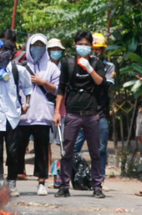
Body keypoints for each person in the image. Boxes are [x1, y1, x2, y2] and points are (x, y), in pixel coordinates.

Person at [54, 30, 106, 198]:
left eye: (86, 45)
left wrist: (89, 67)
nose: (83, 47)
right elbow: (61, 88)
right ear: (75, 45)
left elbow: (100, 82)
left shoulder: (96, 64)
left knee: (95, 152)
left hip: (91, 114)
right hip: (72, 113)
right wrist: (57, 112)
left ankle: (97, 186)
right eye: (80, 44)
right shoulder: (68, 64)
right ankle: (63, 186)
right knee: (67, 152)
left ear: (91, 47)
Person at [0, 39, 32, 197]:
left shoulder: (18, 71)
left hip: (12, 116)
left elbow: (28, 87)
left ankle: (11, 183)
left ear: (8, 53)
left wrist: (26, 105)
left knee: (13, 151)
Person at [17, 34, 60, 196]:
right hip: (22, 116)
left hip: (43, 115)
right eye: (35, 45)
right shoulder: (21, 67)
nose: (38, 48)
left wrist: (43, 83)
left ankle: (41, 182)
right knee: (18, 150)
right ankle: (13, 180)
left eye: (42, 45)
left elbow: (58, 90)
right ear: (29, 46)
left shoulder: (51, 68)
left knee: (42, 151)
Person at [73, 33, 115, 179]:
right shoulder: (77, 65)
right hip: (81, 111)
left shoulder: (108, 67)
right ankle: (70, 175)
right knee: (74, 147)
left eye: (100, 49)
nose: (97, 52)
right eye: (95, 49)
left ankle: (99, 177)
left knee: (101, 148)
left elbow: (105, 85)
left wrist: (92, 69)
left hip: (100, 112)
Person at [47, 38, 67, 187]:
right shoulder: (43, 67)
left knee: (63, 142)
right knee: (46, 141)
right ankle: (48, 169)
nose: (56, 52)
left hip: (63, 109)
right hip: (46, 107)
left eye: (58, 49)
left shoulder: (65, 66)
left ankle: (61, 171)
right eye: (53, 49)